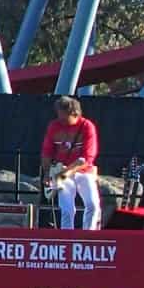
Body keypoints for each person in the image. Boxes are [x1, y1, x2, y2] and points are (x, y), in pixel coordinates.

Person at [41, 95, 99, 230]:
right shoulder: (54, 126)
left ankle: (88, 236)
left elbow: (87, 158)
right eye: (59, 114)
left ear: (74, 113)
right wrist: (47, 173)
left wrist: (65, 173)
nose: (60, 119)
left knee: (92, 205)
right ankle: (67, 236)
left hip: (83, 171)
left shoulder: (86, 126)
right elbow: (47, 151)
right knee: (66, 209)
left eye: (63, 115)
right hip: (61, 170)